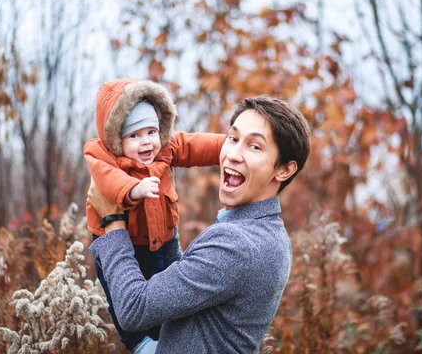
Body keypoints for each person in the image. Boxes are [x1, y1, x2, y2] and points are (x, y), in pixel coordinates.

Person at [88, 95, 311, 354]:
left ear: (283, 170)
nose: (234, 155)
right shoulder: (273, 234)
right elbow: (187, 287)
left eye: (255, 147)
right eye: (233, 138)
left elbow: (133, 310)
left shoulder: (236, 244)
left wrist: (113, 221)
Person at [83, 78, 226, 352]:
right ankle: (139, 343)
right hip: (125, 246)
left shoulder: (165, 149)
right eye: (134, 136)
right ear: (116, 139)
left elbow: (194, 144)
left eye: (151, 132)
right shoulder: (101, 154)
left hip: (165, 239)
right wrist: (132, 189)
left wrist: (229, 146)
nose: (146, 142)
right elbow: (106, 178)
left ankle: (174, 334)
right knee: (123, 296)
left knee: (173, 284)